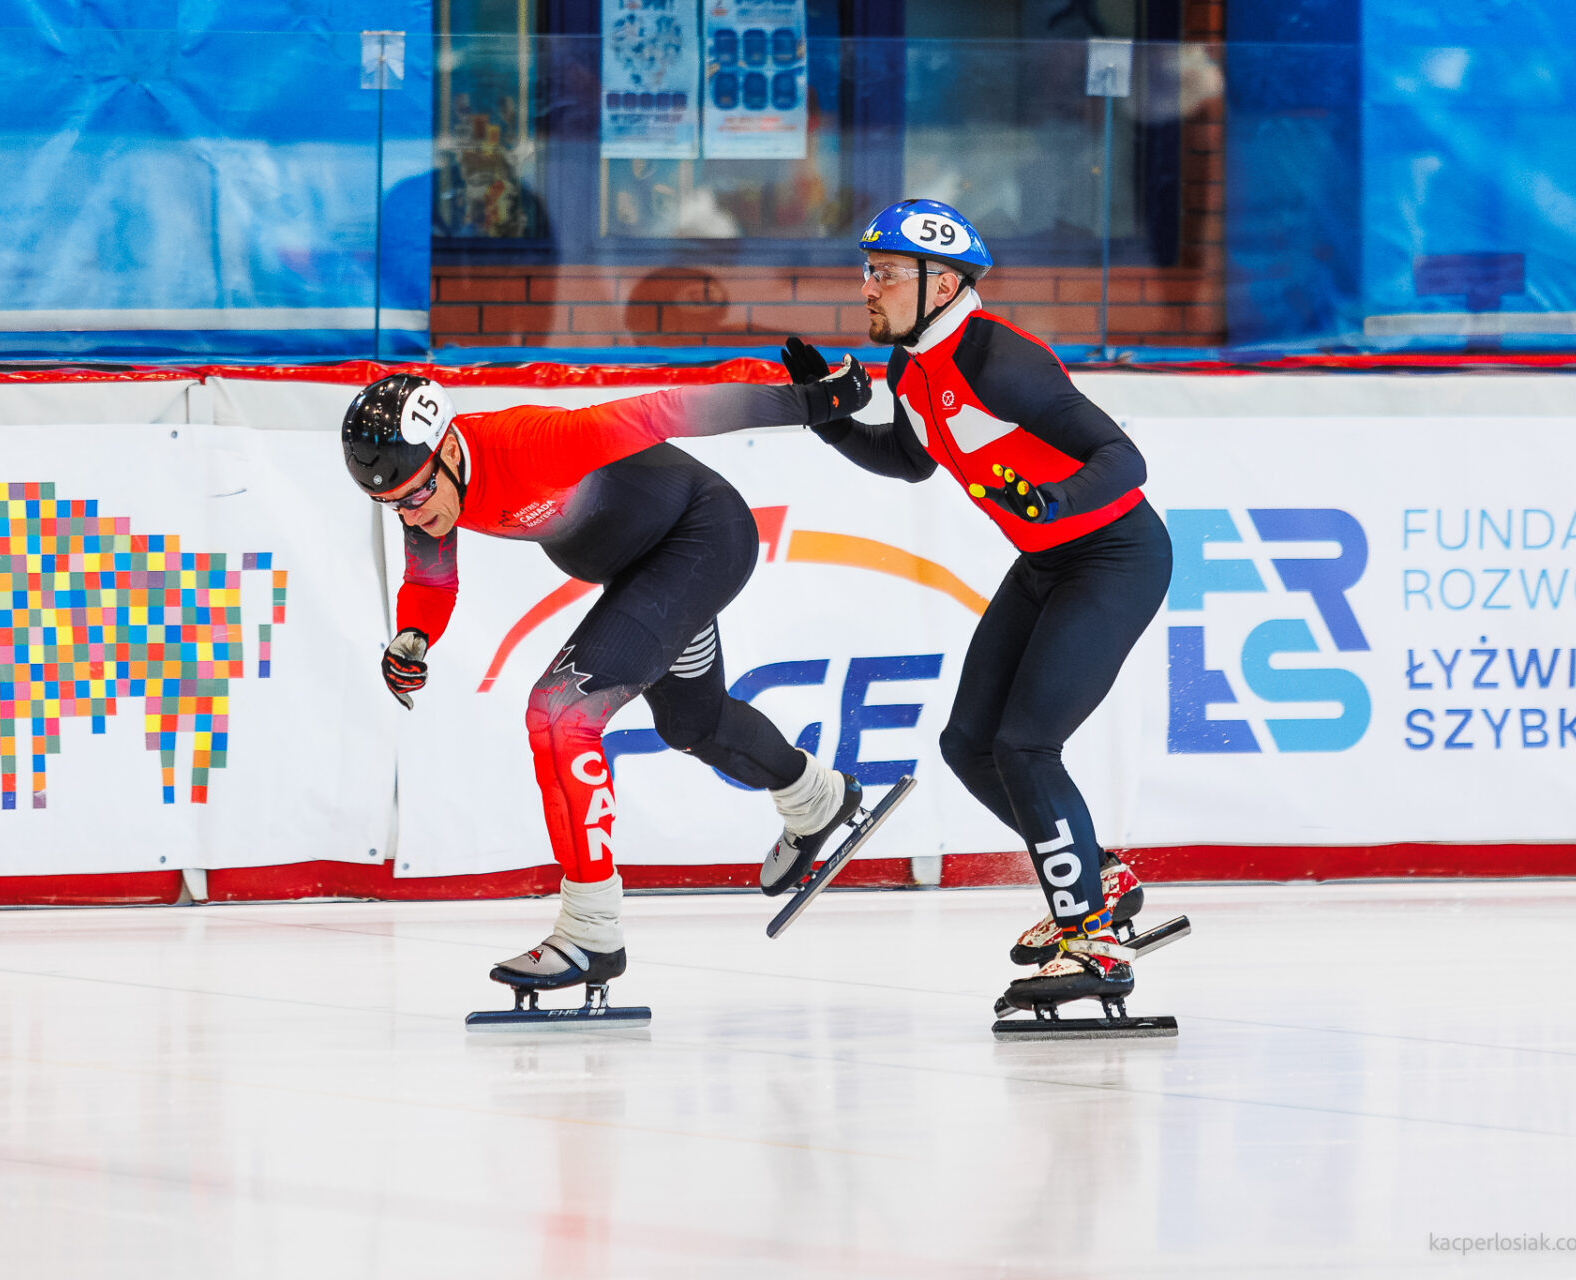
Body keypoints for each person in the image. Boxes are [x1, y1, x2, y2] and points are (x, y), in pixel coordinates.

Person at [343, 368, 873, 999]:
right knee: (693, 724)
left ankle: (590, 930)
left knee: (559, 711)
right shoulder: (426, 484)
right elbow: (431, 581)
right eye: (392, 504)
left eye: (417, 495)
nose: (411, 514)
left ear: (450, 450)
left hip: (702, 539)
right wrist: (414, 635)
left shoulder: (533, 443)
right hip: (646, 571)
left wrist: (810, 402)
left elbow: (670, 410)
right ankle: (815, 796)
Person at [781, 198, 1172, 1011]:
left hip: (1114, 558)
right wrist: (830, 418)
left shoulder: (999, 360)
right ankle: (1097, 879)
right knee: (969, 745)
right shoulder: (909, 368)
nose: (868, 288)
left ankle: (1094, 939)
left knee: (1026, 744)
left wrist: (1054, 500)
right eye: (867, 270)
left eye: (885, 273)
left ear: (942, 283)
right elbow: (910, 459)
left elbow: (1122, 457)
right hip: (1047, 562)